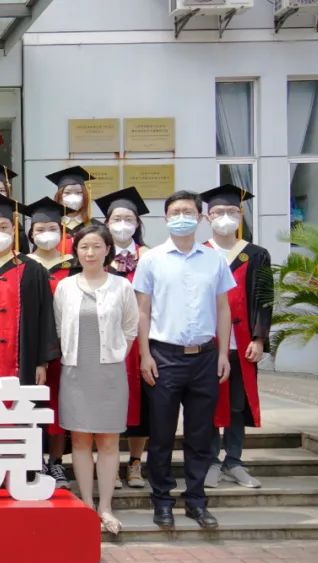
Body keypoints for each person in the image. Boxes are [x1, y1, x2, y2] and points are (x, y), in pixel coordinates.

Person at [133, 190, 235, 530]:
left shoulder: (215, 260)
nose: (181, 217)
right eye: (175, 211)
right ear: (165, 218)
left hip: (205, 357)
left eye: (188, 211)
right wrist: (144, 354)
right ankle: (162, 501)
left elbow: (223, 308)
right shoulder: (152, 259)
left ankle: (196, 501)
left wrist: (223, 353)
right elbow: (142, 311)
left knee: (200, 435)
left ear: (201, 217)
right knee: (161, 435)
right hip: (164, 356)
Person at [54, 224, 138, 535]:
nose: (90, 253)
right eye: (84, 247)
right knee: (79, 439)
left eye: (96, 246)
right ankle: (87, 504)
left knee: (108, 440)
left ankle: (106, 506)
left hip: (109, 373)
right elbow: (58, 328)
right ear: (76, 251)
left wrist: (114, 356)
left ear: (108, 250)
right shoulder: (65, 287)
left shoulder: (121, 286)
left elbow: (130, 328)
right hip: (75, 371)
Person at [201, 184, 271, 490]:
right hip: (207, 343)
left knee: (237, 404)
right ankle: (210, 461)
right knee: (208, 402)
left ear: (240, 214)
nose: (225, 217)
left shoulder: (256, 254)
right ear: (208, 217)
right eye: (218, 212)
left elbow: (265, 298)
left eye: (231, 211)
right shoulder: (199, 252)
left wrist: (259, 338)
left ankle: (234, 460)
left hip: (242, 342)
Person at [0, 193, 57, 400]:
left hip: (26, 362)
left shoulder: (33, 269)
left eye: (4, 227)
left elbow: (45, 318)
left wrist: (41, 362)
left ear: (14, 230)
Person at [95, 187, 152, 489]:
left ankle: (135, 463)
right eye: (116, 219)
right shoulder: (97, 256)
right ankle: (110, 464)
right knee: (108, 403)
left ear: (138, 223)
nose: (122, 224)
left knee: (142, 404)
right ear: (106, 223)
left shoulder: (150, 256)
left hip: (143, 342)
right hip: (107, 342)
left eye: (129, 219)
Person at [24, 196, 78, 489]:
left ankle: (56, 461)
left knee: (59, 405)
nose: (46, 234)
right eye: (40, 229)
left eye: (52, 228)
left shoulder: (74, 265)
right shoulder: (23, 266)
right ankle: (34, 459)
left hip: (67, 347)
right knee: (32, 404)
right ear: (31, 234)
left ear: (62, 231)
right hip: (31, 347)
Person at [44, 166, 95, 255]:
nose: (73, 197)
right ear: (59, 197)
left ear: (85, 196)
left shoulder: (95, 226)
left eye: (79, 193)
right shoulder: (50, 227)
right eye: (67, 193)